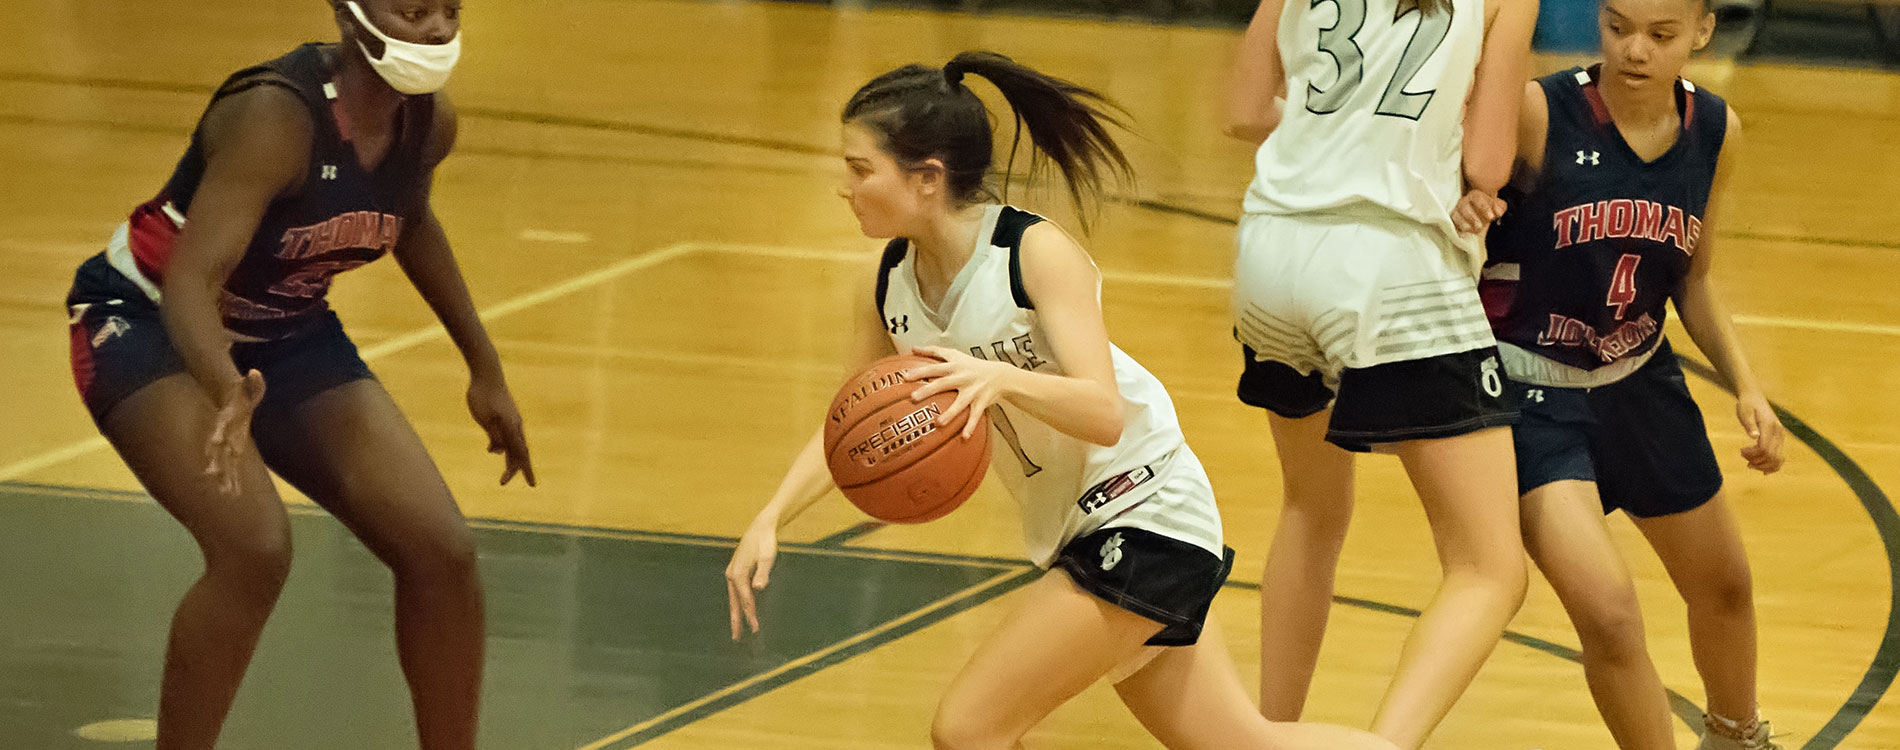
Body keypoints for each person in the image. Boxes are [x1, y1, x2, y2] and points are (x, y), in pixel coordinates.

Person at [724, 50, 1397, 750]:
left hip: (1144, 512)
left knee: (969, 728)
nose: (845, 187)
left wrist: (1000, 378)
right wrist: (771, 516)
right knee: (1241, 743)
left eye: (861, 169)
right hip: (1076, 531)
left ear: (927, 178)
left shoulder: (1029, 252)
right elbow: (851, 427)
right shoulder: (886, 281)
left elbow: (1103, 412)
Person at [61, 2, 533, 748]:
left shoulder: (427, 123)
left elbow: (410, 219)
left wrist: (485, 368)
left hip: (287, 328)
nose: (439, 30)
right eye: (414, 12)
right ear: (352, 15)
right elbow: (189, 281)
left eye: (449, 9)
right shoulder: (275, 118)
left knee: (442, 549)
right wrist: (222, 388)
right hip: (150, 321)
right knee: (253, 548)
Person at [1455, 0, 1783, 746]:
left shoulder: (1715, 130)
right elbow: (1459, 204)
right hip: (1531, 390)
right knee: (1608, 612)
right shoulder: (1541, 112)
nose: (1634, 50)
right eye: (1617, 26)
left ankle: (1738, 735)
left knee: (1724, 586)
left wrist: (1748, 387)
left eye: (1661, 35)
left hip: (1637, 376)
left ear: (1702, 30)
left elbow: (1692, 281)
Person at [1222, 0, 1539, 745]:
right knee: (1491, 569)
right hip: (1389, 270)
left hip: (1269, 254)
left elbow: (1242, 111)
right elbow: (1488, 162)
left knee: (1312, 509)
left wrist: (1333, 135)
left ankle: (1270, 732)